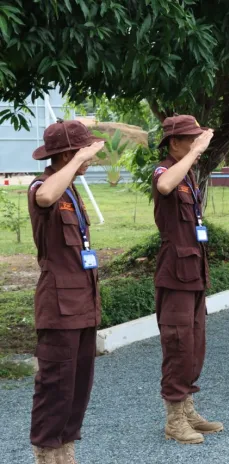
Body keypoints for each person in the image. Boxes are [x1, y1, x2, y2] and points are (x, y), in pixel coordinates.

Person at [27, 120, 105, 464]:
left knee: (79, 384)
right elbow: (44, 195)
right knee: (56, 384)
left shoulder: (71, 189)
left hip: (84, 300)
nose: (90, 160)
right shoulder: (44, 187)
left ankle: (66, 451)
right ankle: (46, 453)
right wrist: (76, 161)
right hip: (59, 304)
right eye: (85, 153)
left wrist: (74, 164)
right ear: (68, 154)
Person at [152, 115, 223, 444]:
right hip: (175, 273)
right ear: (174, 142)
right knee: (178, 343)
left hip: (194, 270)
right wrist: (195, 152)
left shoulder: (189, 174)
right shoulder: (165, 170)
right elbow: (165, 186)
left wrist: (193, 157)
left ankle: (188, 407)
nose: (197, 144)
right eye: (190, 139)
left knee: (195, 343)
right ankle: (174, 418)